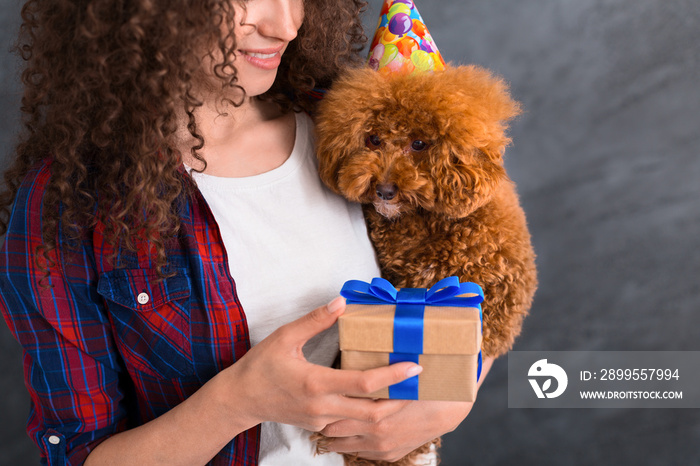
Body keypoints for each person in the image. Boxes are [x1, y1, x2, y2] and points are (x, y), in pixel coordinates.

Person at [0, 0, 494, 464]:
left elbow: (490, 271)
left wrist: (448, 403)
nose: (286, 25)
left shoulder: (357, 125)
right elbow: (79, 454)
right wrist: (237, 401)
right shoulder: (67, 207)